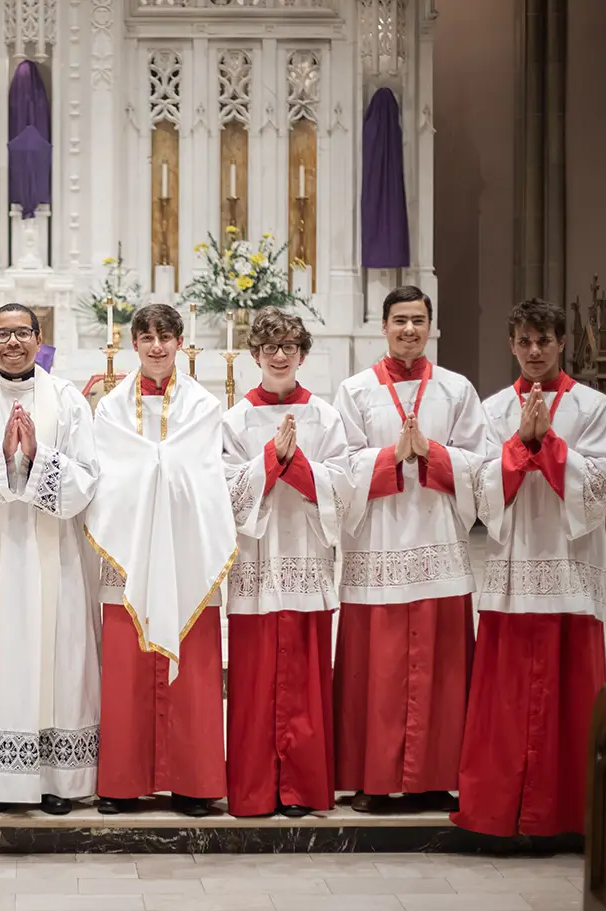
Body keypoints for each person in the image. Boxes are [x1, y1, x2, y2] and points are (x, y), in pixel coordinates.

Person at [454, 299, 606, 837]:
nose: (534, 351)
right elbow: (478, 489)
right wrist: (519, 447)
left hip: (570, 567)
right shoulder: (492, 407)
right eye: (524, 341)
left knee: (567, 696)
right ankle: (501, 812)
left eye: (544, 341)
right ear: (511, 344)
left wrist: (545, 443)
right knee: (507, 698)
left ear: (560, 344)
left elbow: (601, 485)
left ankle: (568, 815)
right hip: (513, 567)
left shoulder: (593, 406)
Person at [0, 303, 102, 815]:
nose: (13, 343)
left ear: (39, 338)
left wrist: (34, 460)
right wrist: (2, 460)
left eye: (22, 333)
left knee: (57, 655)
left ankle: (57, 779)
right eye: (2, 334)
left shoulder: (69, 401)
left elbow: (87, 481)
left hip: (54, 557)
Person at [333, 285, 491, 814]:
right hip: (377, 544)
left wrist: (432, 453)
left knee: (439, 668)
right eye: (399, 319)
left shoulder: (456, 390)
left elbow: (482, 465)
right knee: (377, 670)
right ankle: (375, 778)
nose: (408, 329)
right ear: (384, 326)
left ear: (430, 326)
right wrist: (388, 457)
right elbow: (339, 467)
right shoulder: (354, 391)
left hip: (438, 545)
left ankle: (434, 777)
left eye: (418, 320)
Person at [86, 304, 235, 818]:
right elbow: (108, 472)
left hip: (185, 552)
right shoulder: (110, 408)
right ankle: (123, 783)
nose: (156, 347)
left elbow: (203, 474)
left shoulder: (202, 405)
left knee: (191, 674)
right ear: (133, 344)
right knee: (126, 671)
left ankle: (194, 783)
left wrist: (157, 467)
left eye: (165, 337)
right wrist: (155, 468)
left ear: (179, 342)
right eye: (146, 337)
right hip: (127, 552)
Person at [221, 308, 350, 818]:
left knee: (304, 676)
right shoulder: (234, 419)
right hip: (257, 562)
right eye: (270, 347)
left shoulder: (326, 416)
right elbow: (226, 492)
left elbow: (343, 485)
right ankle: (253, 788)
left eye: (289, 347)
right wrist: (270, 460)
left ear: (302, 354)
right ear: (254, 355)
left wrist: (293, 464)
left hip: (305, 558)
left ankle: (300, 788)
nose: (279, 355)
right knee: (253, 683)